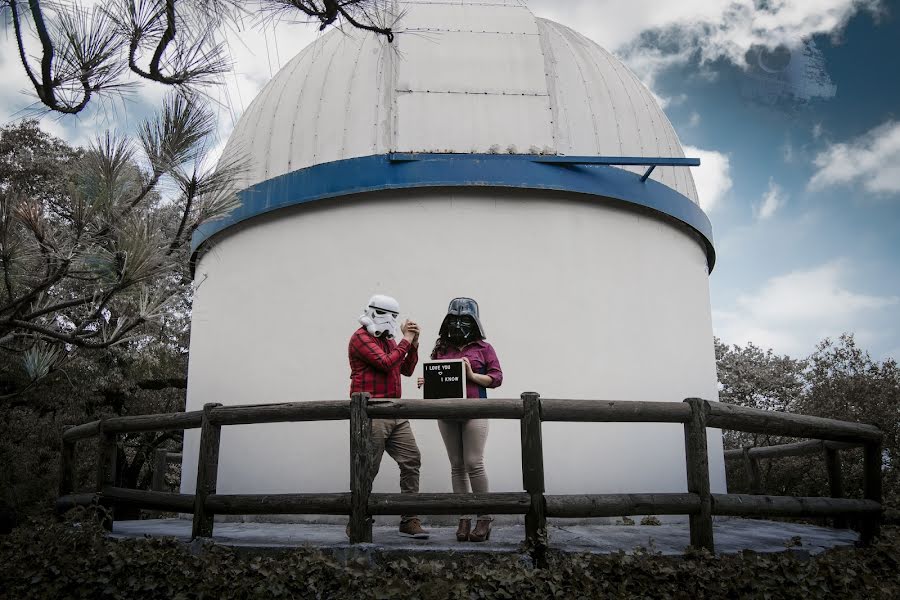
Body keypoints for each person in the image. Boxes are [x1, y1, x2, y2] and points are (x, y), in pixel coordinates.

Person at [419, 297, 503, 542]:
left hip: (475, 409)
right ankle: (464, 517)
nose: (458, 324)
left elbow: (496, 378)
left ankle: (484, 517)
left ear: (474, 321)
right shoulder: (441, 349)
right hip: (446, 412)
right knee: (456, 465)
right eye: (454, 319)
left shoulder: (484, 348)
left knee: (474, 462)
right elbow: (437, 376)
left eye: (464, 319)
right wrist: (427, 381)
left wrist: (471, 375)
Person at [349, 294, 430, 539]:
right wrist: (406, 340)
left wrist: (413, 345)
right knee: (367, 468)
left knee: (411, 460)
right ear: (372, 312)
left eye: (395, 316)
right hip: (371, 413)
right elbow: (385, 363)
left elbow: (404, 369)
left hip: (395, 411)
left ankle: (409, 518)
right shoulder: (360, 338)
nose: (392, 321)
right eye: (388, 315)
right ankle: (357, 520)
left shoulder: (390, 340)